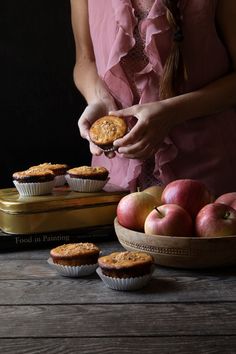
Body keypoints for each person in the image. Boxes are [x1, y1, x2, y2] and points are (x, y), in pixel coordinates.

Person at [70, 0, 236, 197]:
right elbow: (85, 61)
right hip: (115, 178)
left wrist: (173, 112)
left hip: (205, 178)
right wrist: (99, 99)